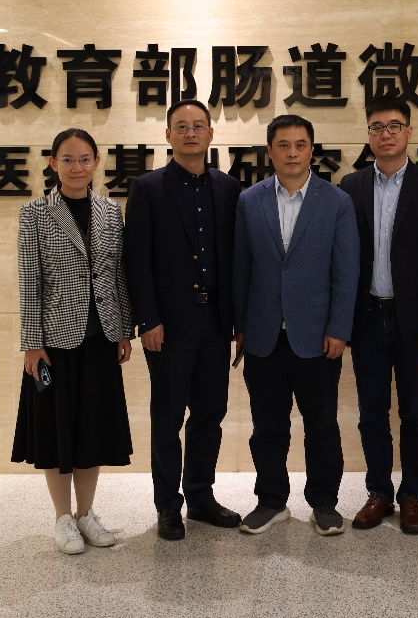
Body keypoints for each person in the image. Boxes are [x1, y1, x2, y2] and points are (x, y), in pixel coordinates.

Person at [232, 114, 361, 536]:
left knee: (321, 424)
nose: (292, 153)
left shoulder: (336, 201)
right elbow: (241, 269)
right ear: (270, 151)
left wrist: (340, 328)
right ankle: (271, 501)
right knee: (267, 427)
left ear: (311, 150)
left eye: (300, 144)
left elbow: (346, 272)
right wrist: (239, 327)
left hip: (318, 335)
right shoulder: (249, 200)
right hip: (263, 335)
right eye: (283, 145)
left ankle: (324, 502)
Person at [339, 94, 418, 535]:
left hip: (416, 319)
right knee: (371, 412)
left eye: (394, 126)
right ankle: (378, 493)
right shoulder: (351, 186)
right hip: (367, 318)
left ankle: (412, 496)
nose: (385, 134)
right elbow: (341, 258)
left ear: (409, 131)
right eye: (377, 127)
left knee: (415, 413)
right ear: (368, 135)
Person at [124, 99, 242, 541]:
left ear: (211, 134)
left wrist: (238, 320)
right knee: (168, 417)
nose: (190, 133)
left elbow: (237, 259)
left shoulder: (229, 188)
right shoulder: (147, 187)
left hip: (216, 322)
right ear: (168, 135)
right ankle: (167, 506)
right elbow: (137, 260)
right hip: (169, 326)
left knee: (210, 413)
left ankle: (200, 497)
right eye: (181, 126)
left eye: (198, 126)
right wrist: (147, 320)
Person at [12, 128, 134, 555]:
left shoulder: (110, 211)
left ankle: (86, 514)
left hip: (101, 337)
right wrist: (32, 343)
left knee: (93, 429)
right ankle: (62, 518)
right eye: (67, 159)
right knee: (56, 430)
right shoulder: (35, 213)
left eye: (85, 159)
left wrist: (123, 329)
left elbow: (118, 275)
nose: (77, 167)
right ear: (53, 163)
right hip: (54, 342)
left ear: (96, 162)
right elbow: (29, 281)